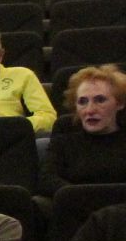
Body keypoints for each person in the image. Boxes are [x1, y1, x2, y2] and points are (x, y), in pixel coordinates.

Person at [40, 65, 126, 194]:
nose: (90, 110)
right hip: (76, 207)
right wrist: (80, 196)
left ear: (120, 104)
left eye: (100, 100)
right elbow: (47, 180)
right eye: (82, 102)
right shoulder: (64, 138)